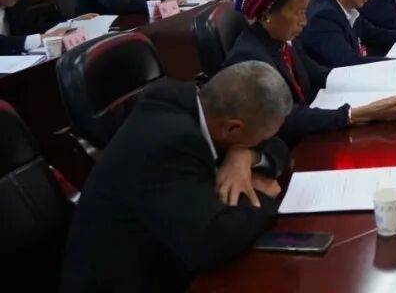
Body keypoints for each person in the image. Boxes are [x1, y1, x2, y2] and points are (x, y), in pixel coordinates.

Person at [61, 62, 294, 292]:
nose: (263, 142)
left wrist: (245, 156)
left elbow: (278, 146)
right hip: (125, 280)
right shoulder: (168, 143)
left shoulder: (200, 107)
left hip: (167, 256)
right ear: (232, 129)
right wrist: (264, 199)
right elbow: (209, 245)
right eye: (260, 139)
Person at [225, 0, 396, 145]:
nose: (304, 22)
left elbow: (317, 73)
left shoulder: (282, 40)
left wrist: (381, 82)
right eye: (298, 13)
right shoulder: (249, 58)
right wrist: (354, 114)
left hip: (310, 128)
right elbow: (283, 118)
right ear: (267, 14)